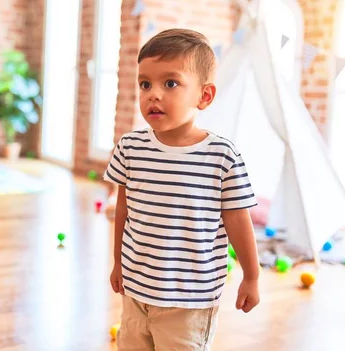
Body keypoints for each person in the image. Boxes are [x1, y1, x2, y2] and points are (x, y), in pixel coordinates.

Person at [103, 28, 261, 350]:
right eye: (145, 83)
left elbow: (238, 221)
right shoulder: (130, 147)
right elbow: (124, 209)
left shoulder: (221, 156)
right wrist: (118, 262)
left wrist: (252, 275)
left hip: (190, 300)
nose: (153, 94)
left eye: (170, 83)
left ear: (204, 96)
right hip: (136, 288)